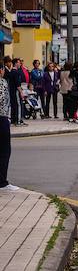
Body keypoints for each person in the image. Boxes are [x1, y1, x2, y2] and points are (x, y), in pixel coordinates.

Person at [0, 62, 17, 191]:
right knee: (5, 151)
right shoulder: (2, 83)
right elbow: (3, 100)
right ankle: (2, 182)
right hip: (2, 119)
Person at [4, 57, 21, 126]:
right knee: (16, 105)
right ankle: (16, 120)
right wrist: (21, 92)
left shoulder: (11, 71)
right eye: (19, 62)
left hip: (10, 90)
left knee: (13, 105)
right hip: (12, 90)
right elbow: (17, 83)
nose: (10, 63)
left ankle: (13, 120)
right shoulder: (12, 71)